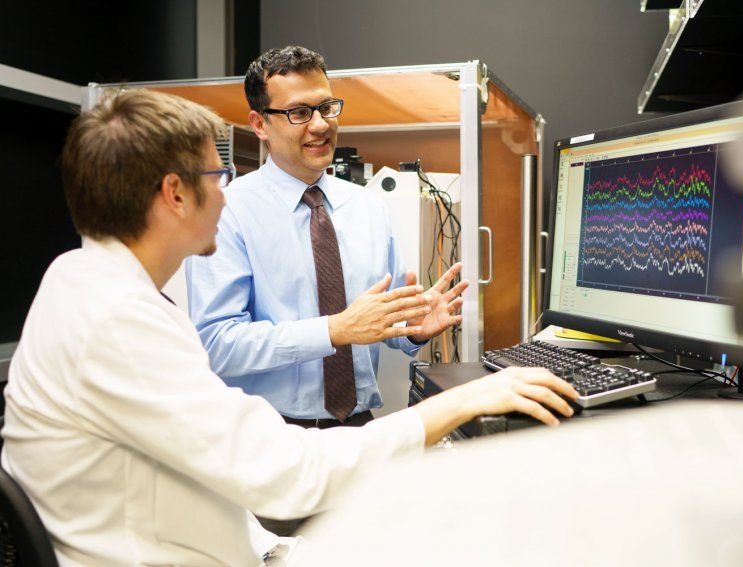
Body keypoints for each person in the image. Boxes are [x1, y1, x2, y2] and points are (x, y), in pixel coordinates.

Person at [0, 88, 578, 566]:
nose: (226, 193)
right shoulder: (115, 321)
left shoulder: (81, 280)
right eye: (217, 173)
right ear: (175, 193)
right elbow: (282, 470)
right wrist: (458, 402)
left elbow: (197, 466)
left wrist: (411, 330)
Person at [186, 46, 464, 427]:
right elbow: (217, 344)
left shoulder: (367, 208)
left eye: (327, 108)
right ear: (260, 124)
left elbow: (387, 324)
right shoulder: (227, 212)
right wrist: (333, 331)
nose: (320, 125)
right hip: (270, 432)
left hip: (359, 424)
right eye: (299, 113)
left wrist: (415, 329)